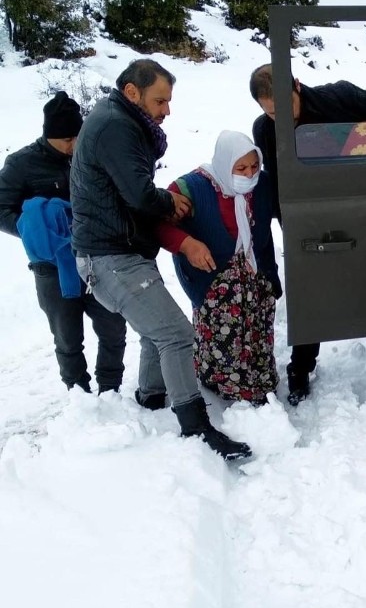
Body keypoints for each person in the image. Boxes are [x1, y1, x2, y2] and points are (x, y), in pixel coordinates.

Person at [70, 59, 252, 461]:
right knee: (177, 334)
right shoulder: (116, 125)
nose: (166, 110)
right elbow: (138, 194)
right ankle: (195, 425)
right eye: (160, 100)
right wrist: (168, 201)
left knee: (159, 330)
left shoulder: (117, 120)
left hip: (120, 250)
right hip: (110, 255)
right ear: (132, 92)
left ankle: (151, 398)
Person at [250, 64, 366, 407]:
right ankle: (300, 371)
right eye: (272, 112)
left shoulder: (341, 96)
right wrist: (289, 224)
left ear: (298, 86)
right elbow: (277, 182)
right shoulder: (264, 129)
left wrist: (357, 144)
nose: (281, 118)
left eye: (284, 107)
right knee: (312, 293)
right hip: (314, 218)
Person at [0, 91, 127, 394]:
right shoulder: (21, 164)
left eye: (77, 136)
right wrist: (34, 229)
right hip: (51, 265)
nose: (74, 145)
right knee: (67, 338)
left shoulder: (91, 154)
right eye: (67, 140)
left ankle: (110, 390)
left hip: (96, 257)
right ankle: (79, 396)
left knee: (114, 327)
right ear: (49, 136)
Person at [157, 130, 281, 406]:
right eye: (241, 168)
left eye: (254, 167)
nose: (249, 174)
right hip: (214, 282)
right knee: (224, 339)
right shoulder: (191, 188)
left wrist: (270, 275)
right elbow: (159, 223)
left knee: (258, 333)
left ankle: (259, 382)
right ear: (225, 164)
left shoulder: (262, 186)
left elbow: (266, 231)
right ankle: (225, 387)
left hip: (252, 277)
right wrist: (186, 244)